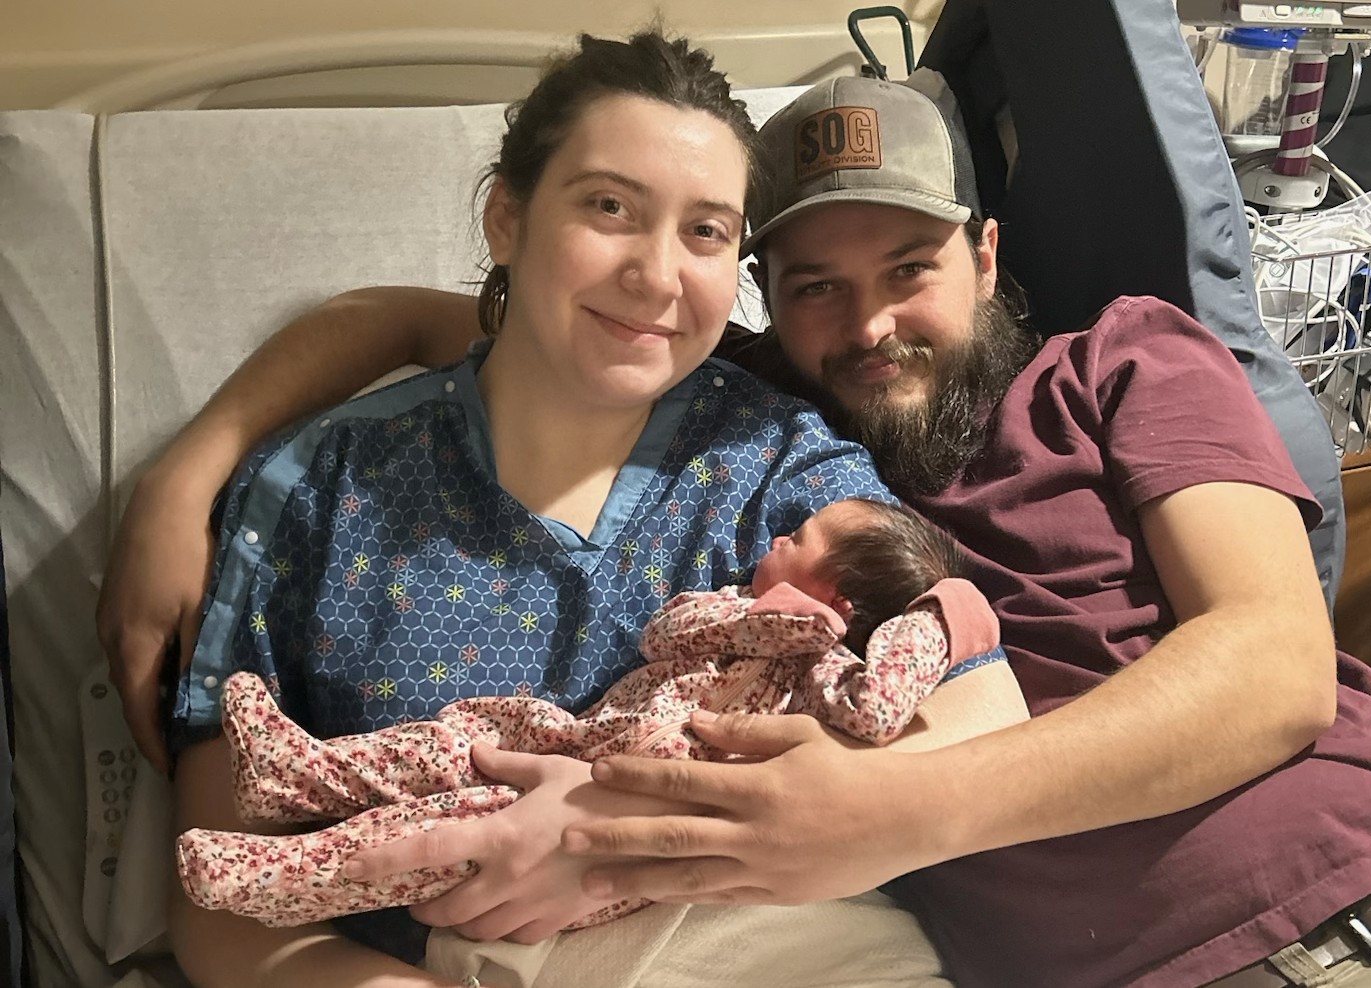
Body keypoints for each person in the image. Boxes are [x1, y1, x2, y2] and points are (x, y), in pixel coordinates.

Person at [95, 71, 1371, 988]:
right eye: (815, 285)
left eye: (909, 269)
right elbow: (451, 322)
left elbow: (1274, 669)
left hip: (1322, 904)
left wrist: (852, 814)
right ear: (760, 298)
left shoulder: (1119, 364)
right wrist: (188, 474)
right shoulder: (752, 412)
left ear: (986, 257)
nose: (867, 323)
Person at [113, 34, 1027, 988]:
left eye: (706, 231)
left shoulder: (776, 458)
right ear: (506, 217)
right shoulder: (322, 488)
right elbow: (222, 910)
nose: (658, 275)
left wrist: (623, 828)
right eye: (609, 207)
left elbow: (979, 709)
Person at [176, 498, 1012, 930]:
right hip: (576, 740)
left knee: (459, 832)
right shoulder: (730, 608)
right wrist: (763, 619)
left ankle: (277, 880)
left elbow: (878, 711)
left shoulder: (829, 675)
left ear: (842, 596)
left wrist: (940, 615)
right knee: (461, 736)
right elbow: (665, 633)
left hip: (638, 831)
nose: (776, 540)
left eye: (800, 538)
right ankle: (300, 775)